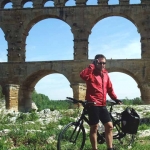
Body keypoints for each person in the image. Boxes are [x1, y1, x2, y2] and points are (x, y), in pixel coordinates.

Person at [80, 54, 122, 150]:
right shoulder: (91, 73)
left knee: (109, 126)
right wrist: (91, 66)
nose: (102, 65)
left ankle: (110, 148)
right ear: (95, 62)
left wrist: (115, 98)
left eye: (104, 63)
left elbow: (110, 89)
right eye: (100, 63)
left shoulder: (106, 75)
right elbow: (83, 75)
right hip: (93, 104)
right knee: (94, 127)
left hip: (102, 104)